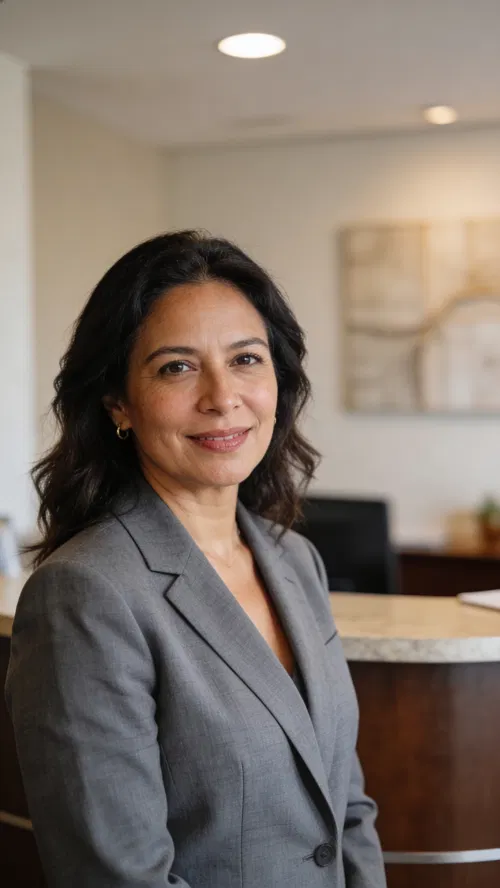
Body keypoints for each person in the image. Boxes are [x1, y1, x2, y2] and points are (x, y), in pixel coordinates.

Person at [6, 231, 386, 888]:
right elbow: (119, 875)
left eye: (246, 359)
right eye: (176, 367)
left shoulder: (294, 559)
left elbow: (346, 803)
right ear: (118, 403)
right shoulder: (86, 593)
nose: (221, 396)